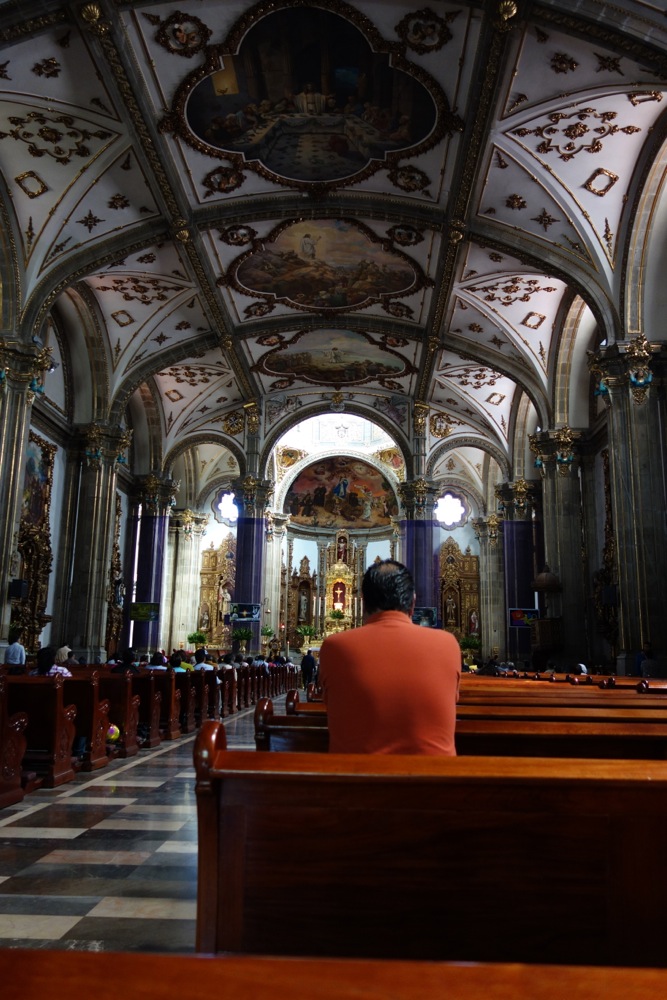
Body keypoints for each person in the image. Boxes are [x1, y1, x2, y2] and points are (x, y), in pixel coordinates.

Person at [319, 560, 461, 754]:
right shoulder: (448, 644)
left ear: (363, 601)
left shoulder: (334, 647)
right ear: (413, 602)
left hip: (354, 772)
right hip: (432, 773)